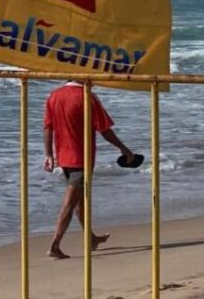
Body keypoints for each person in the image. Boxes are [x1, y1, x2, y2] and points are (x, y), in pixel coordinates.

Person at [42, 81, 137, 259]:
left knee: (80, 201)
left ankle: (91, 239)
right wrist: (123, 149)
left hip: (63, 157)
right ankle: (54, 246)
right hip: (81, 158)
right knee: (70, 203)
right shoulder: (87, 96)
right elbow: (104, 129)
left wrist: (48, 154)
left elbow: (48, 127)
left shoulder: (54, 95)